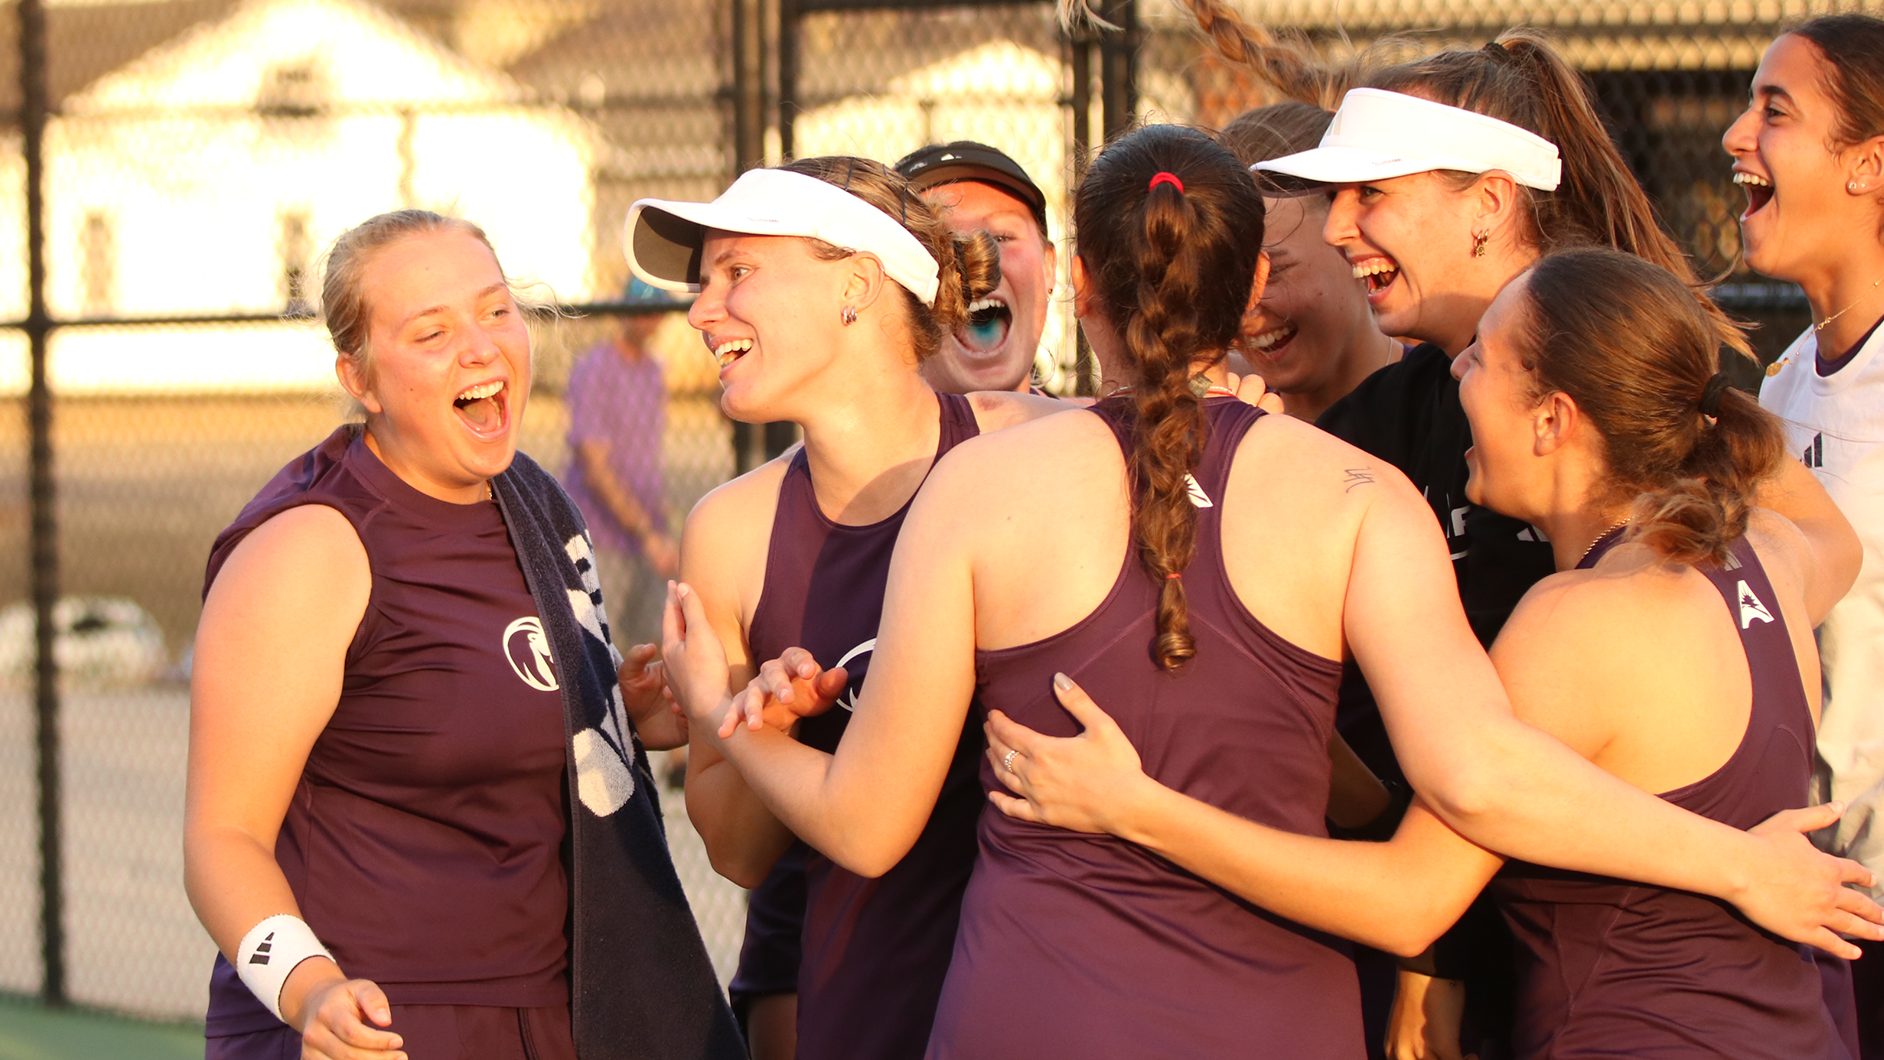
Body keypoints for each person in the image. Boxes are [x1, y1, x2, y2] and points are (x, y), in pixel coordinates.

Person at [666, 126, 1879, 1060]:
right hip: (1275, 1013)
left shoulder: (979, 488)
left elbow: (871, 822)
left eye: (1484, 362)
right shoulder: (1365, 498)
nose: (1459, 376)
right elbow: (1465, 773)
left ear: (1084, 281)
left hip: (1034, 1005)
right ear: (1249, 284)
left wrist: (721, 704)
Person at [982, 246, 1871, 1060]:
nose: (1455, 373)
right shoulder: (1775, 557)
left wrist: (1130, 806)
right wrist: (1693, 390)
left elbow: (1408, 901)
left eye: (1482, 358)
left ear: (1554, 418)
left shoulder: (1578, 622)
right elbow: (1843, 539)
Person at [1177, 7, 1765, 1051]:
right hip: (1523, 946)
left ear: (1490, 204)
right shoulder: (1395, 413)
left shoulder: (1625, 357)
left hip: (1643, 968)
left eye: (1371, 194)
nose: (1343, 224)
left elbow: (1804, 548)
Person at [184, 210, 741, 1060]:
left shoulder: (533, 498)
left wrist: (613, 712)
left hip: (553, 1014)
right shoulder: (311, 548)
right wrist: (310, 989)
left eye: (493, 311)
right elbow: (222, 840)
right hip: (379, 1025)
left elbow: (489, 721)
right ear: (360, 378)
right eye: (431, 331)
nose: (479, 347)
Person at [622, 156, 1070, 1060]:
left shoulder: (1053, 449)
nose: (703, 312)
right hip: (866, 1010)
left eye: (737, 272)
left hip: (1055, 1004)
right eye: (705, 284)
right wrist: (775, 731)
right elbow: (740, 857)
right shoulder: (732, 531)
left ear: (858, 286)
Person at [1727, 15, 1884, 1055]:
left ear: (1870, 164)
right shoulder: (1781, 385)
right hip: (1827, 911)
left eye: (1774, 111)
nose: (1736, 135)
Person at [1216, 102, 1401, 422]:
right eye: (1218, 284)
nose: (1243, 310)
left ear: (1352, 241)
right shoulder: (1211, 405)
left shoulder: (1449, 403)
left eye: (1273, 272)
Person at [563, 277, 679, 649]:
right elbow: (596, 468)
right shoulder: (596, 368)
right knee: (598, 647)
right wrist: (647, 533)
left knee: (654, 644)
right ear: (624, 309)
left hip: (646, 532)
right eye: (642, 308)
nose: (650, 319)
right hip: (602, 534)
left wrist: (658, 522)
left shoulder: (653, 371)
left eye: (657, 309)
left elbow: (646, 457)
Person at [893, 141, 1058, 395]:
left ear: (1049, 266)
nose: (977, 259)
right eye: (941, 243)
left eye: (1002, 237)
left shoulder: (1108, 434)